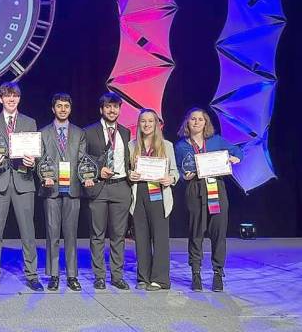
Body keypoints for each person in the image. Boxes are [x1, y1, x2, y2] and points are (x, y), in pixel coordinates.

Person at [0, 82, 43, 292]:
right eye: (7, 96)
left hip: (23, 182)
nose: (11, 99)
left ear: (19, 99)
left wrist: (32, 162)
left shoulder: (29, 122)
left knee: (28, 233)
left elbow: (36, 153)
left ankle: (32, 275)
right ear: (0, 99)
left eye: (15, 96)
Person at [175, 108, 242, 292]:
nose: (196, 122)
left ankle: (218, 274)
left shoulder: (216, 141)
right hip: (195, 189)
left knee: (218, 233)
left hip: (216, 188)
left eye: (201, 119)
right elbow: (181, 171)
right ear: (187, 123)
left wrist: (235, 158)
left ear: (206, 123)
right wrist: (185, 176)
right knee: (196, 232)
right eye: (193, 119)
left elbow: (237, 151)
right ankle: (195, 274)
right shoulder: (181, 146)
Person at [83, 92, 131, 290]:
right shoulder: (89, 131)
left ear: (119, 109)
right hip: (99, 187)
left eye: (115, 107)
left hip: (121, 186)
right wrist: (96, 170)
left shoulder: (126, 132)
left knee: (119, 235)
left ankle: (117, 275)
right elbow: (83, 159)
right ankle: (99, 275)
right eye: (108, 107)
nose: (112, 110)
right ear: (101, 109)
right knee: (97, 235)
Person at [38, 93, 85, 291]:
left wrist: (87, 176)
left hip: (72, 188)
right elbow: (39, 159)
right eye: (59, 106)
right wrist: (43, 176)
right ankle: (54, 275)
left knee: (71, 234)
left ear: (70, 109)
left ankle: (72, 275)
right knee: (52, 234)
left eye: (66, 106)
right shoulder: (43, 133)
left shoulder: (79, 133)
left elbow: (82, 161)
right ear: (53, 109)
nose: (63, 109)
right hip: (51, 189)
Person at [128, 109, 179, 291]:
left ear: (157, 124)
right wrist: (130, 174)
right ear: (139, 124)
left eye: (150, 121)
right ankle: (143, 277)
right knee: (141, 237)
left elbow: (175, 172)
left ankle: (160, 279)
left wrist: (171, 179)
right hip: (140, 192)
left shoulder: (167, 145)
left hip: (158, 192)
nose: (147, 124)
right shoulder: (132, 145)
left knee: (160, 238)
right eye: (143, 121)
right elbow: (127, 170)